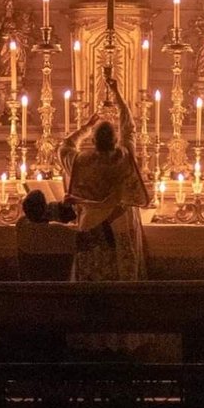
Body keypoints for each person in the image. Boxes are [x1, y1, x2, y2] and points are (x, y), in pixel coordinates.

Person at [60, 70, 149, 280]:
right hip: (120, 223)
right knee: (120, 277)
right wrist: (117, 94)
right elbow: (129, 126)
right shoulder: (124, 156)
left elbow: (65, 146)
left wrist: (87, 127)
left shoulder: (81, 161)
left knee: (90, 276)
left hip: (91, 224)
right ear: (115, 139)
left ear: (94, 140)